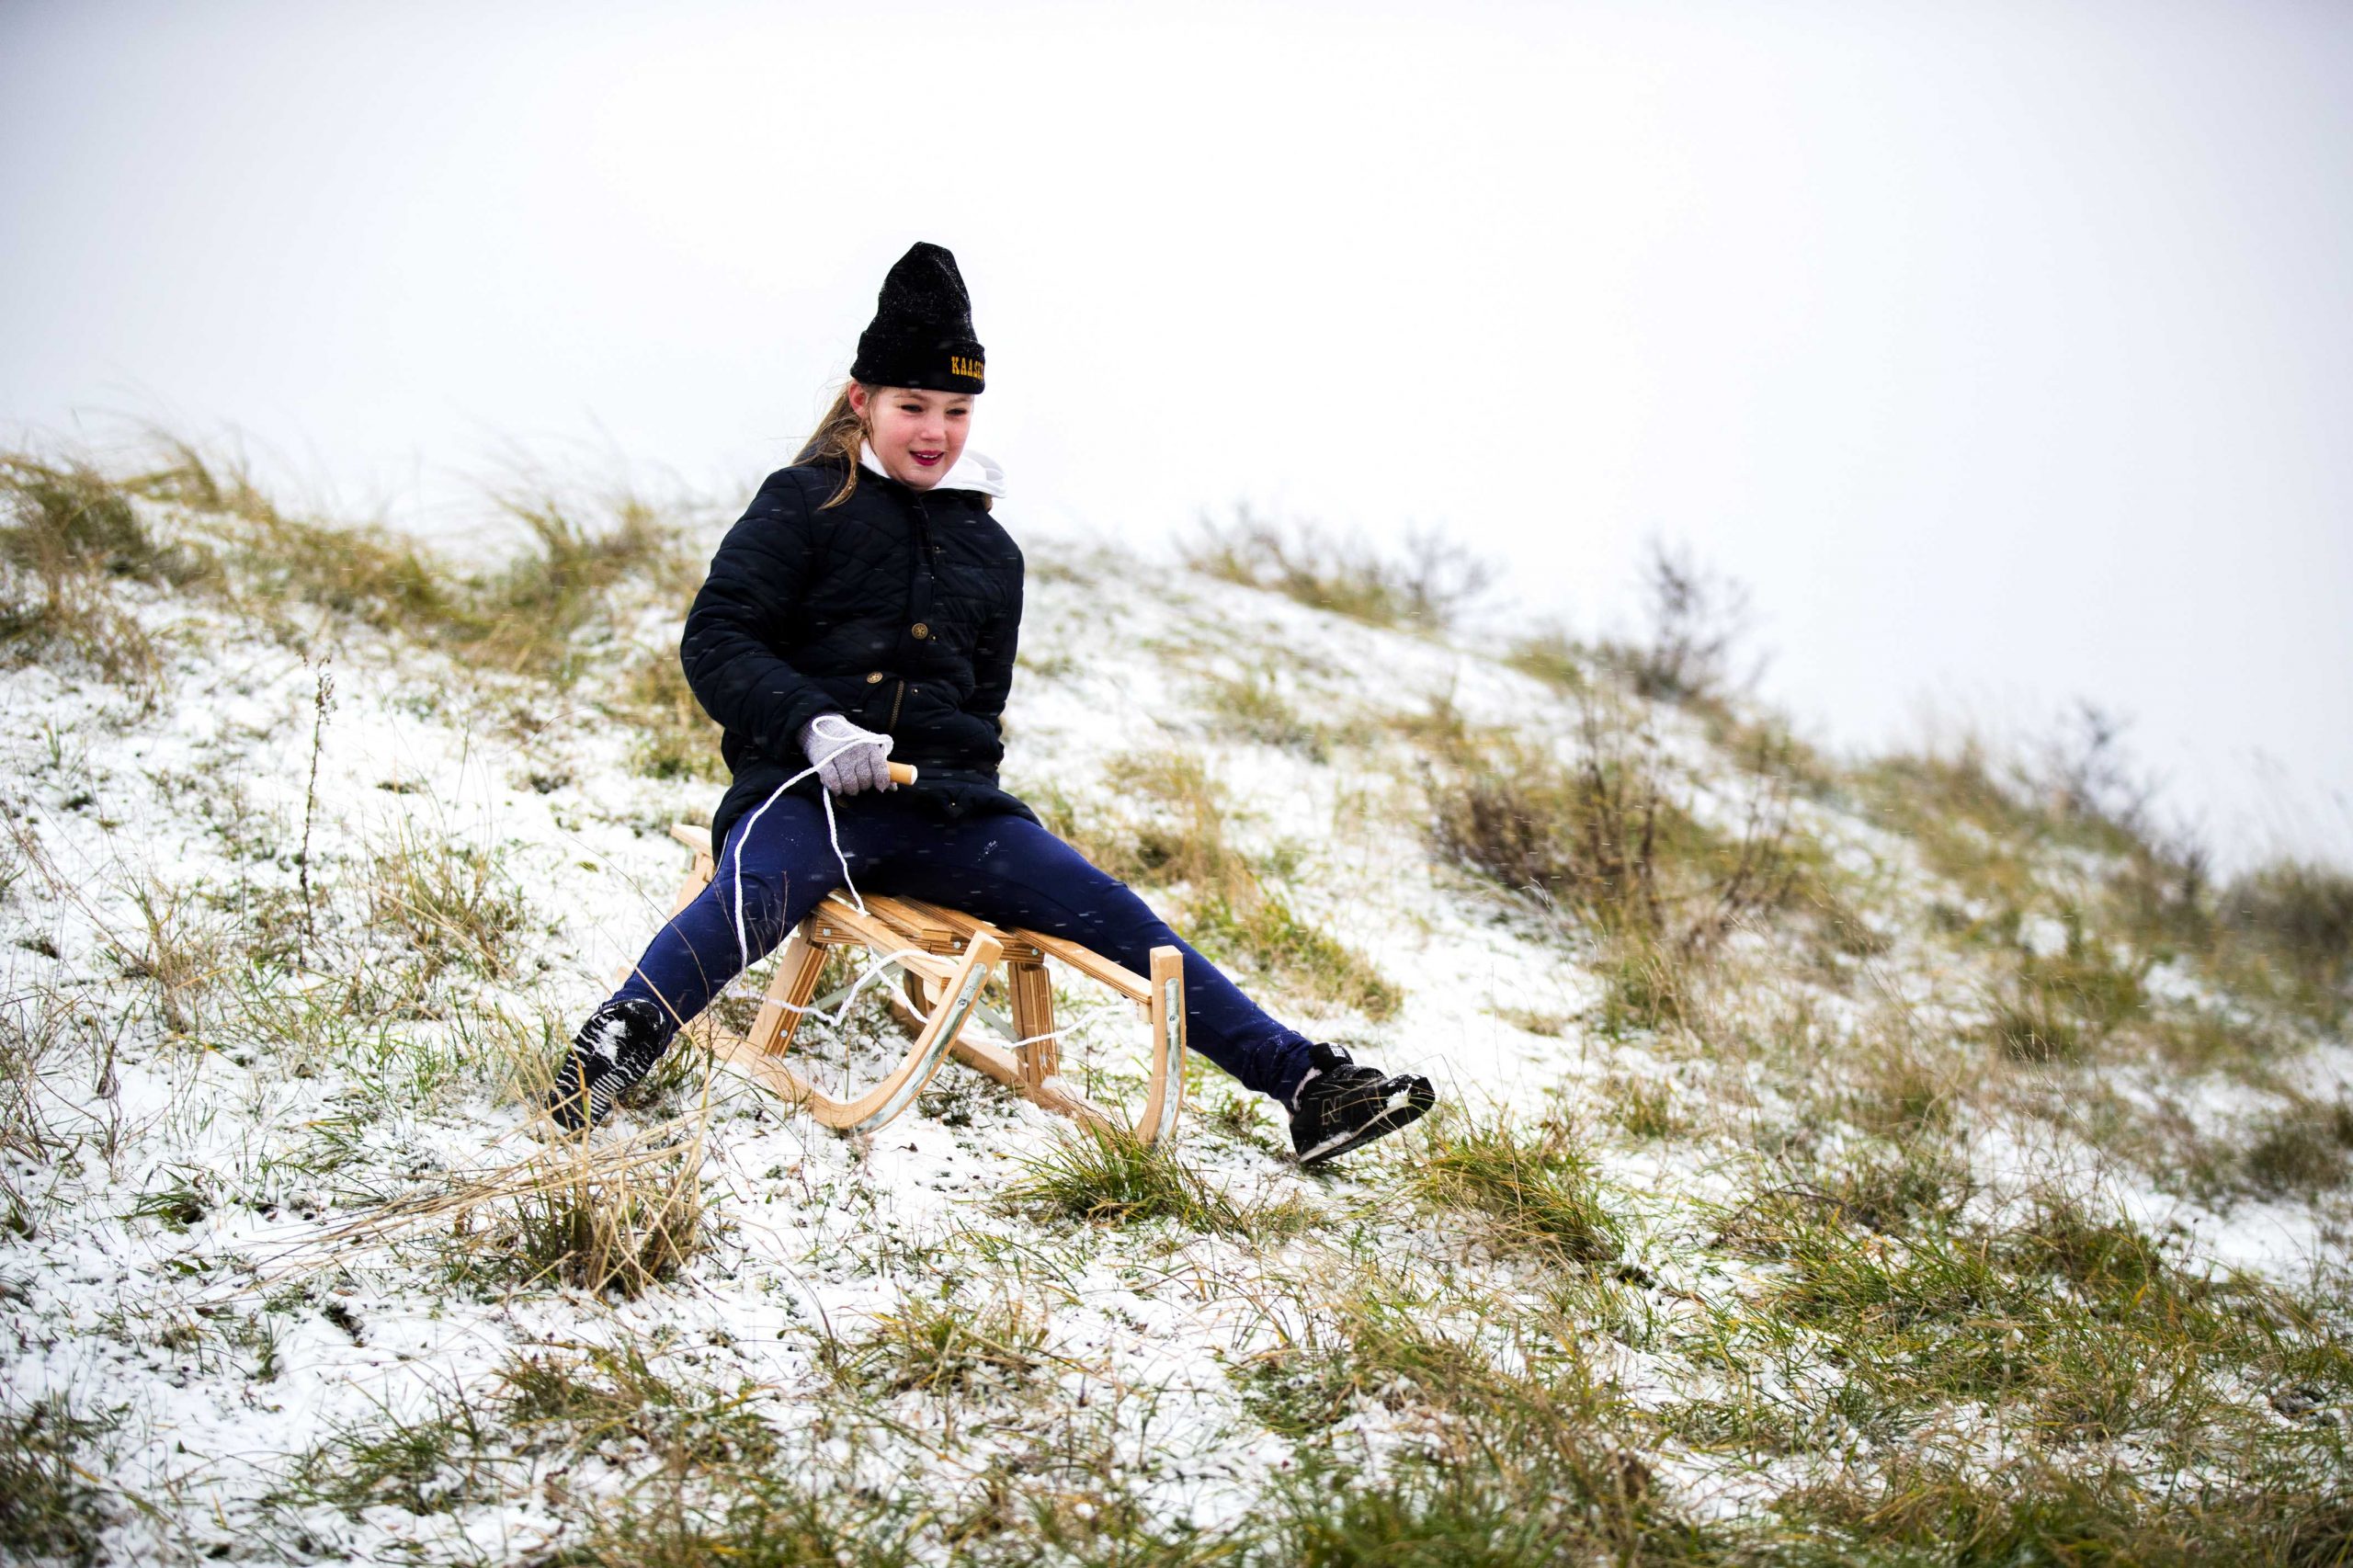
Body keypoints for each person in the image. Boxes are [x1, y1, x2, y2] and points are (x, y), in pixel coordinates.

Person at [545, 242, 1433, 1165]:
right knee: (757, 891)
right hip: (804, 796)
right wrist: (813, 722)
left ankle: (1305, 1082)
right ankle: (616, 1042)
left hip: (946, 810)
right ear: (863, 401)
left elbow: (982, 699)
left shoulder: (991, 553)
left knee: (1117, 913)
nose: (935, 430)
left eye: (957, 410)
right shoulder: (803, 500)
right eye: (913, 406)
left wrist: (964, 794)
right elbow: (717, 636)